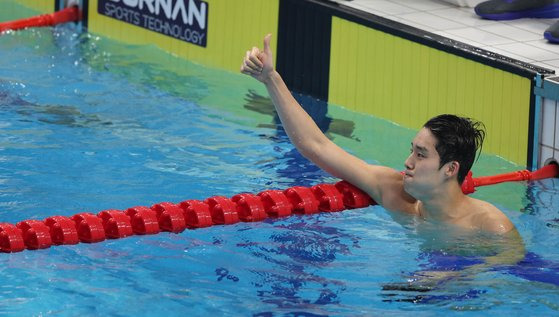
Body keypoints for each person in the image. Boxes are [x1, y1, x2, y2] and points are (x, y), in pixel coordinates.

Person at [240, 34, 515, 234]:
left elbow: (510, 279)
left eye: (421, 155)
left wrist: (448, 275)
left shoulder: (489, 226)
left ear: (450, 169)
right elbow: (316, 146)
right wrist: (271, 79)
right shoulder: (394, 191)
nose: (408, 162)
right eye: (412, 150)